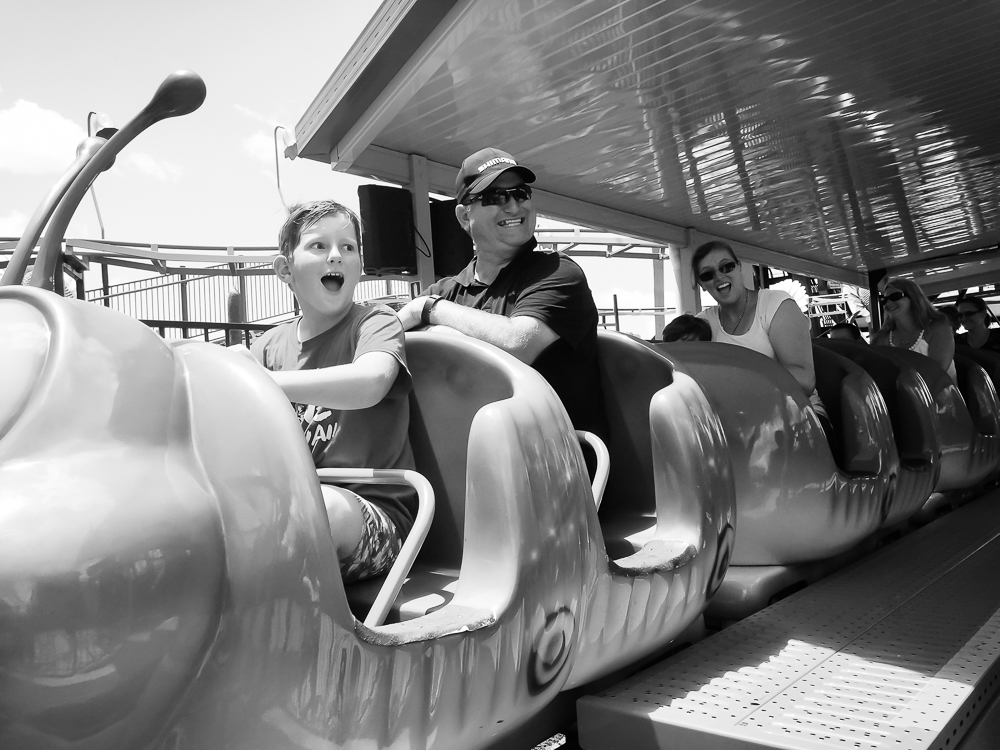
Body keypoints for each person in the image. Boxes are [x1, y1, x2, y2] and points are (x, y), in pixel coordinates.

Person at [251, 200, 417, 583]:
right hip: (291, 504)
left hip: (377, 517)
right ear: (284, 269)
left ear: (359, 266)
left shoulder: (375, 321)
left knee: (312, 511)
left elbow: (370, 382)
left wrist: (262, 382)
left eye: (348, 247)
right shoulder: (267, 347)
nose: (336, 256)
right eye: (318, 246)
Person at [397, 147, 608, 438]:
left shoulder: (558, 272)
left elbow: (516, 342)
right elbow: (387, 350)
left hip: (549, 465)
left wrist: (431, 311)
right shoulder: (446, 289)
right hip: (462, 460)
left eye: (520, 193)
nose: (513, 206)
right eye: (495, 197)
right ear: (463, 216)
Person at [692, 240, 831, 436]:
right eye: (708, 274)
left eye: (727, 266)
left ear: (739, 267)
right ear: (701, 284)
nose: (719, 276)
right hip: (739, 427)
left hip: (799, 418)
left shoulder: (775, 305)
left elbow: (805, 382)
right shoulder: (703, 324)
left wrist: (738, 381)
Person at [871, 277, 956, 380]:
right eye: (884, 299)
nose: (888, 303)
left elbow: (937, 373)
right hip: (899, 394)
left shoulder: (937, 327)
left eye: (895, 296)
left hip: (940, 393)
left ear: (913, 297)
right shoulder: (883, 337)